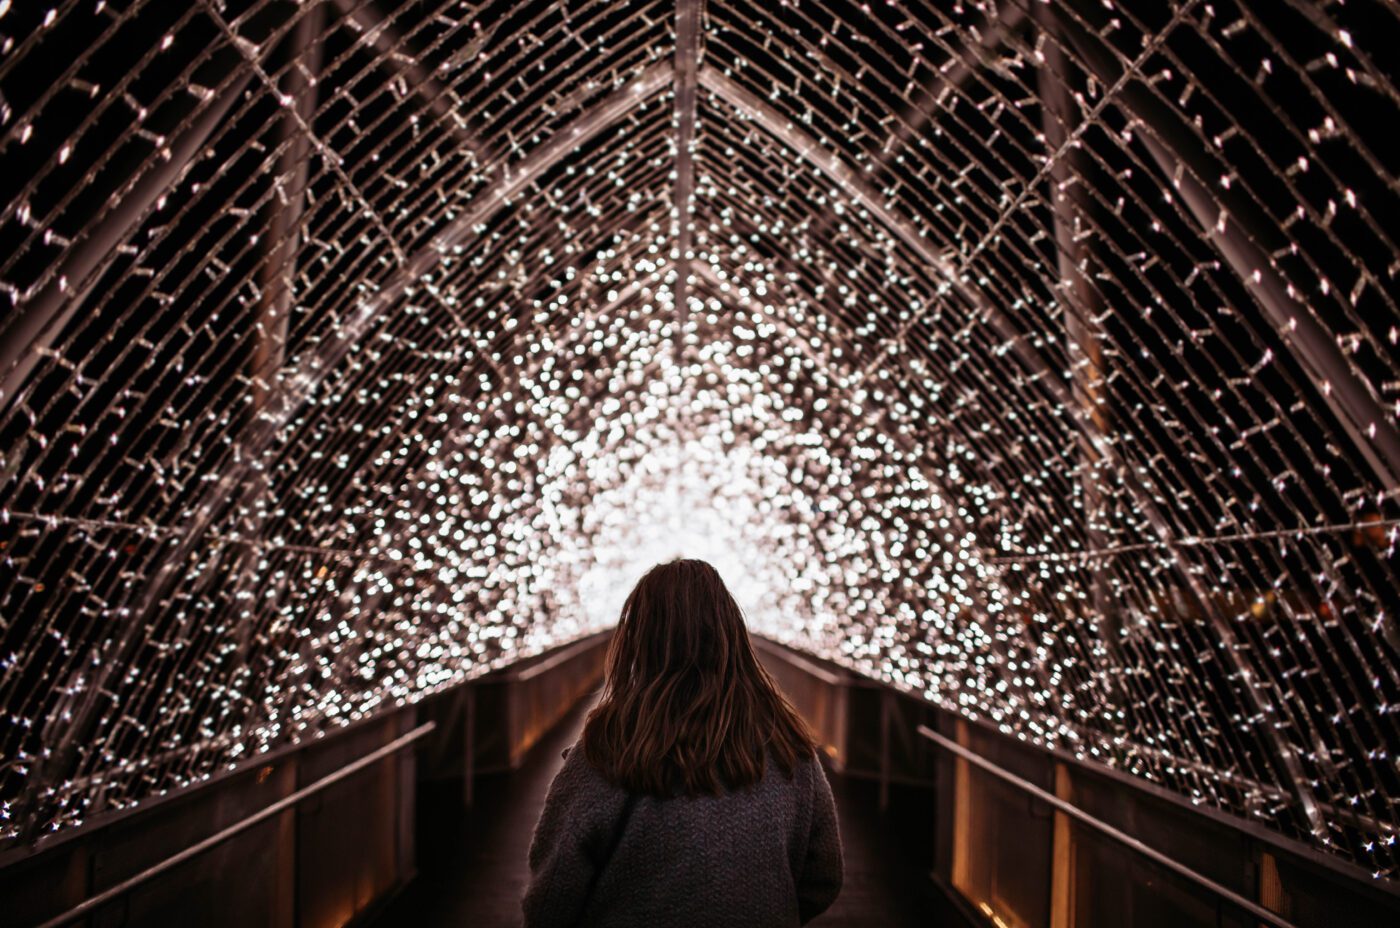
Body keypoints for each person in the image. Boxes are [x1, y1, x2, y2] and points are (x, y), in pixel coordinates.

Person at [521, 558, 844, 927]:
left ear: (638, 641)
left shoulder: (607, 749)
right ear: (732, 635)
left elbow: (553, 894)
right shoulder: (790, 747)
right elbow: (823, 875)